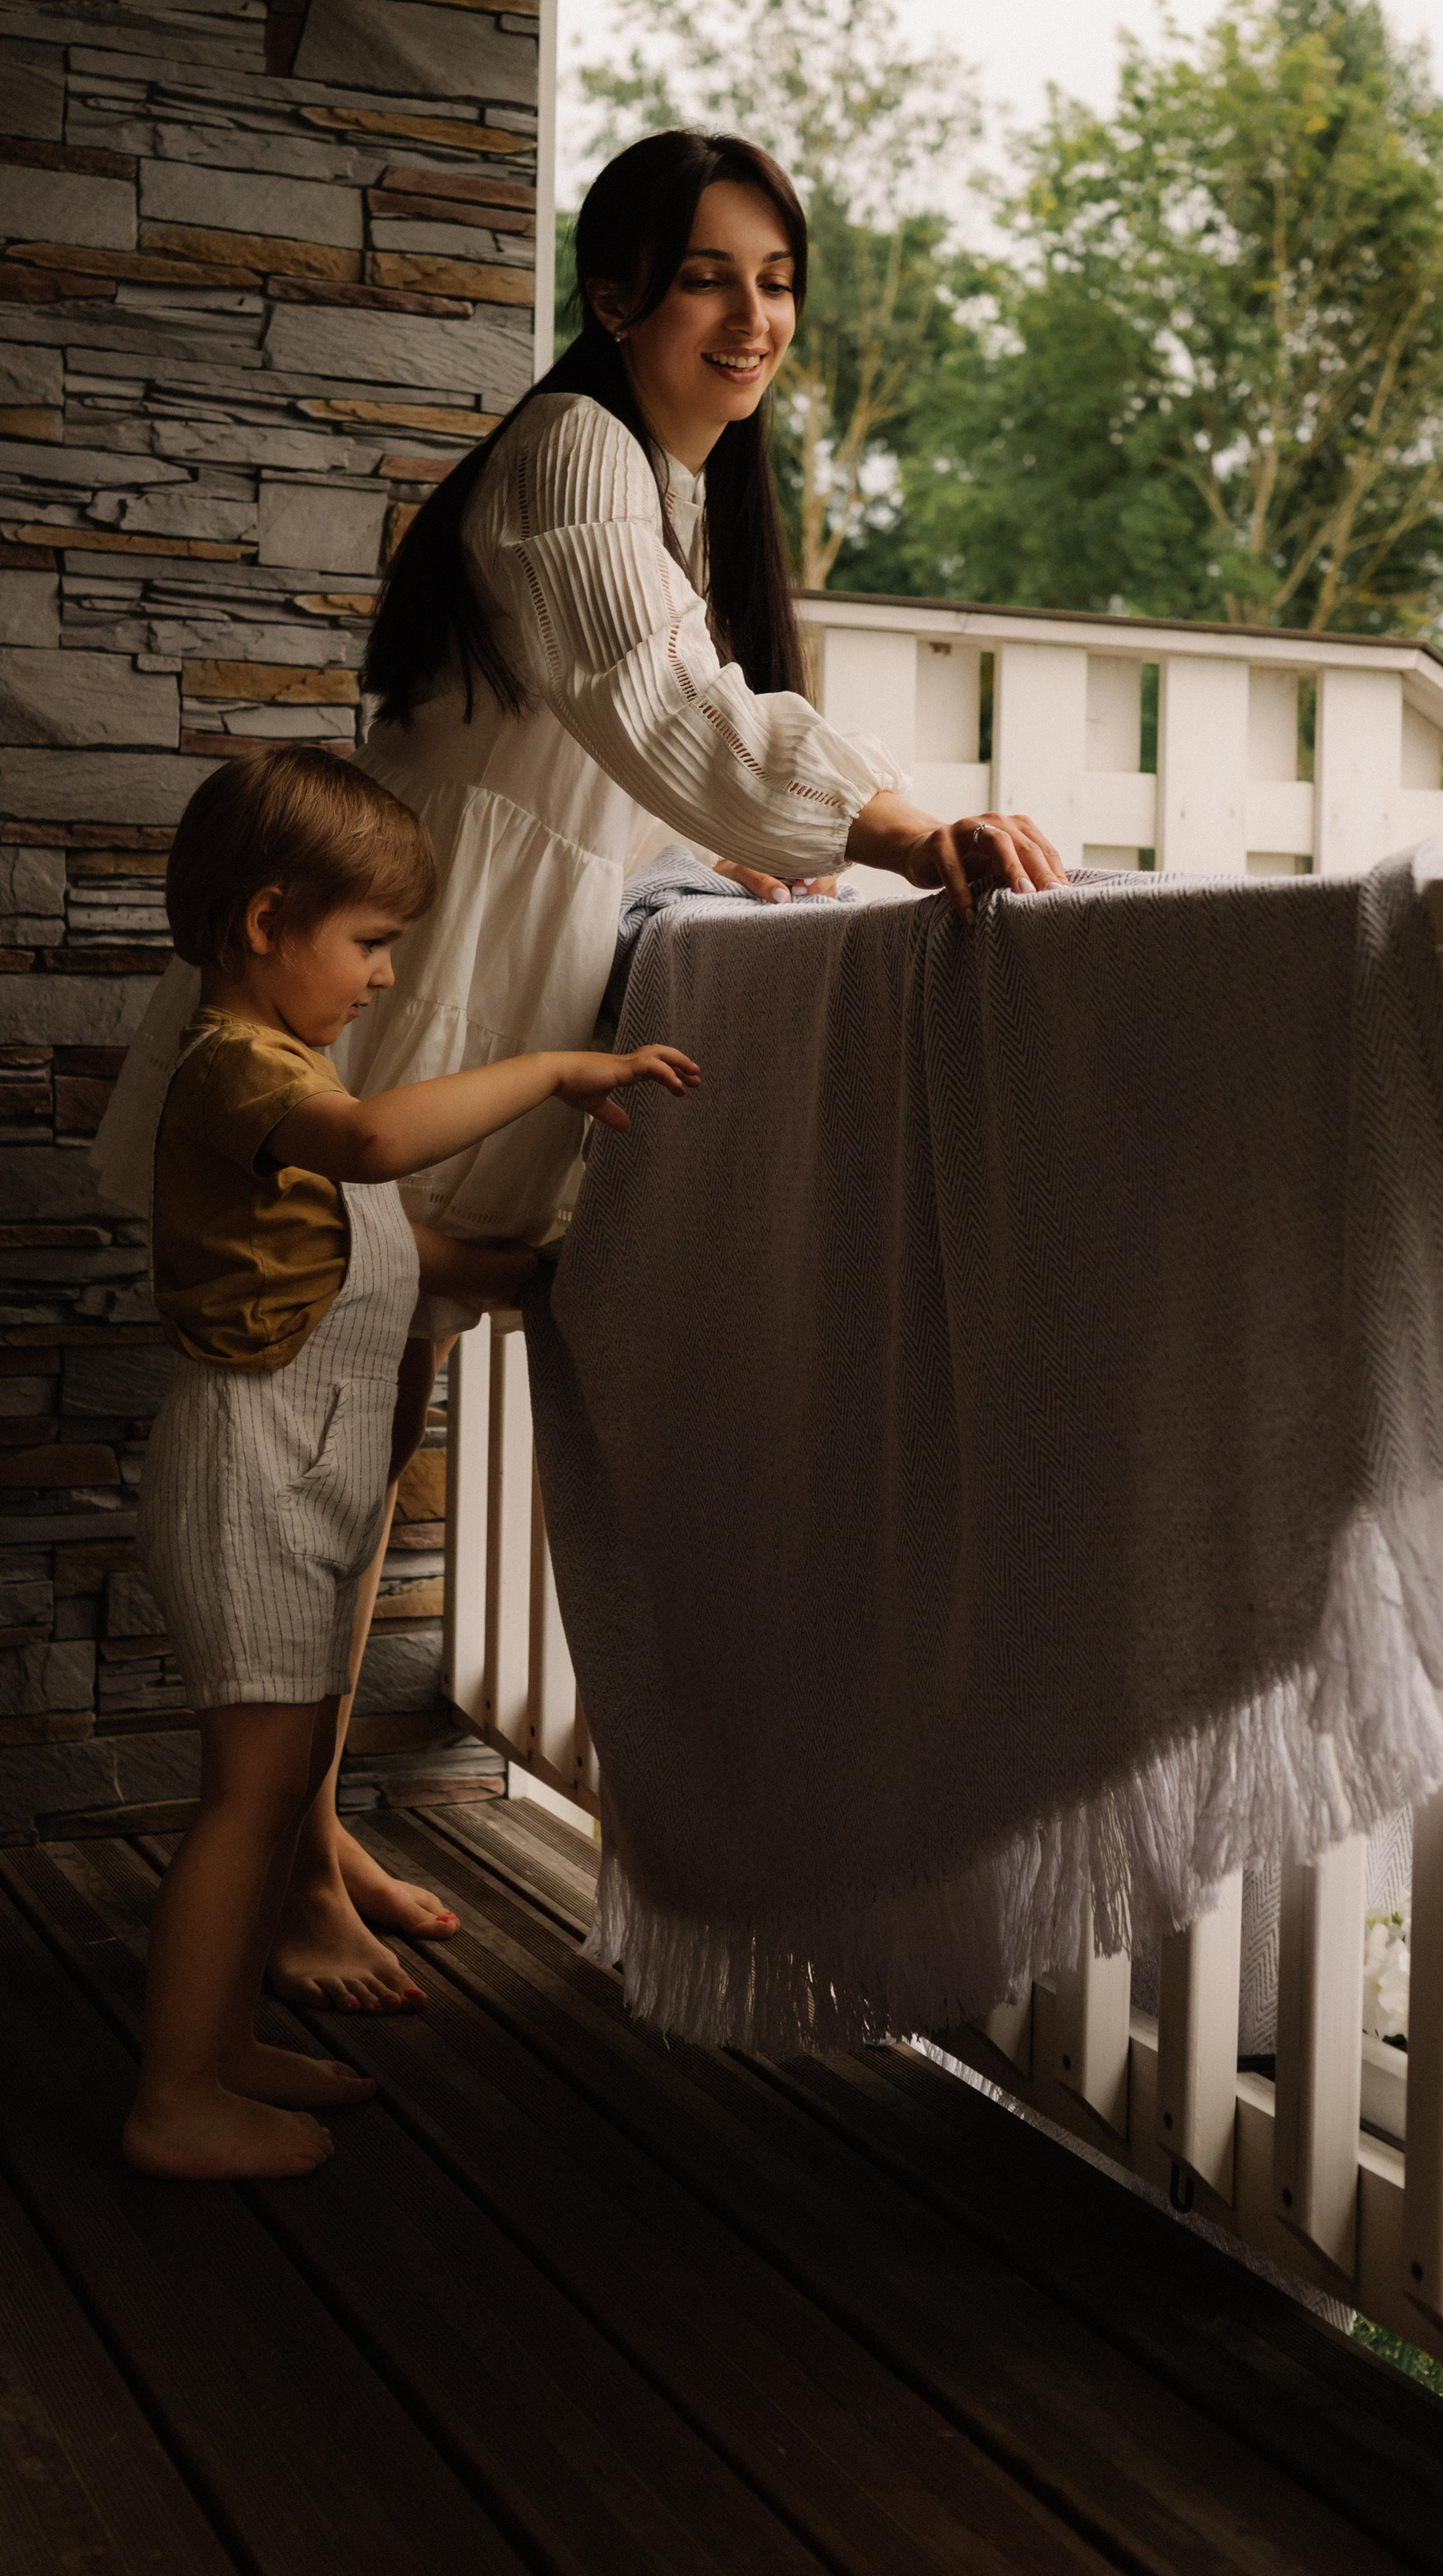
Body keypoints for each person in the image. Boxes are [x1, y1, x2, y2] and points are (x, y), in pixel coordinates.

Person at [96, 127, 1064, 2011]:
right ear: (612, 292)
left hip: (449, 992)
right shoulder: (569, 459)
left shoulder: (668, 498)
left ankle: (299, 1832)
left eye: (777, 281)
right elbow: (665, 708)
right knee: (316, 1448)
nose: (753, 314)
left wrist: (751, 860)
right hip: (391, 1006)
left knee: (360, 1441)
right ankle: (276, 1862)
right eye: (708, 273)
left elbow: (628, 772)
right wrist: (897, 831)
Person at [120, 746, 695, 2179]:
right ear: (266, 923)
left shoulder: (287, 1072)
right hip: (249, 1481)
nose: (385, 978)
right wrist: (559, 1069)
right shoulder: (238, 1071)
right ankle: (172, 2096)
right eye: (371, 943)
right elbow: (379, 1151)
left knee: (291, 1764)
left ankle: (220, 2042)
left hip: (297, 1482)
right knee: (250, 1795)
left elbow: (376, 1242)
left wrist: (538, 1273)